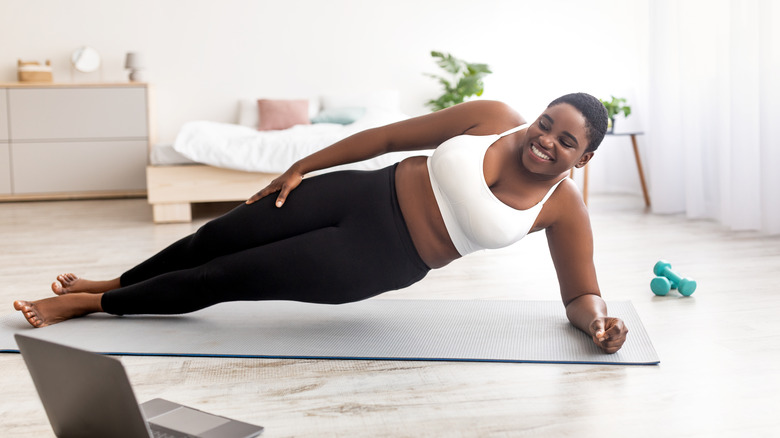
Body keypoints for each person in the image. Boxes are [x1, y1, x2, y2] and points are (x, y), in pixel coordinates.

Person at [14, 92, 628, 354]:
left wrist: (598, 324)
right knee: (218, 236)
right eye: (548, 123)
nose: (545, 140)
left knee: (228, 275)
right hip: (357, 193)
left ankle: (90, 307)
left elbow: (580, 294)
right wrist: (300, 167)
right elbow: (388, 136)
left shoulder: (563, 209)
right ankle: (114, 284)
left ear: (585, 157)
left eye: (566, 140)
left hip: (380, 257)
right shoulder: (493, 115)